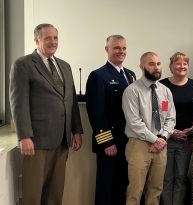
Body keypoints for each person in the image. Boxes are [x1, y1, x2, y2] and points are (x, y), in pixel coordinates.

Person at [9, 23, 83, 205]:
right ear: (36, 40)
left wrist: (77, 130)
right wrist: (24, 136)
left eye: (55, 38)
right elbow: (18, 103)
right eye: (47, 38)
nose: (53, 42)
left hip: (62, 139)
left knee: (55, 192)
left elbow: (70, 100)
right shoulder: (23, 65)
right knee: (33, 193)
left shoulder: (64, 66)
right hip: (37, 140)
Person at [85, 35, 135, 205]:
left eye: (124, 48)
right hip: (110, 142)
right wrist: (107, 142)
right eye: (116, 48)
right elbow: (96, 113)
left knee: (122, 184)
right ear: (107, 49)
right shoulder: (98, 75)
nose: (121, 51)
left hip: (127, 140)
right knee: (106, 187)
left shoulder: (130, 74)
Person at [122, 52, 176, 205]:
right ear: (142, 66)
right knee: (135, 191)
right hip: (139, 144)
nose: (156, 67)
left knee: (156, 190)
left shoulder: (165, 91)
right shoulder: (132, 91)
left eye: (158, 64)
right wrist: (155, 140)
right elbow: (134, 122)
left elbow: (171, 118)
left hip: (161, 145)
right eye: (151, 64)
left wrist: (163, 138)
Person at [160, 52, 193, 205]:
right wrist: (170, 132)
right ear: (171, 66)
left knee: (181, 178)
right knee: (166, 177)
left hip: (186, 139)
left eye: (185, 64)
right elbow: (157, 113)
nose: (182, 66)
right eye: (178, 63)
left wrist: (192, 129)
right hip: (166, 139)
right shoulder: (161, 86)